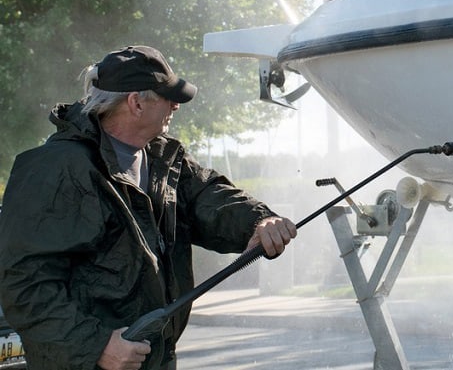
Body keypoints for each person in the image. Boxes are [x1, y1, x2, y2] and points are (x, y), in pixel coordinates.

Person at [0, 45, 297, 370]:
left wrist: (259, 221)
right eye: (168, 96)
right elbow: (23, 284)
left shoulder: (164, 158)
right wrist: (96, 346)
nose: (176, 106)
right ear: (136, 102)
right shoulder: (55, 169)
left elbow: (209, 197)